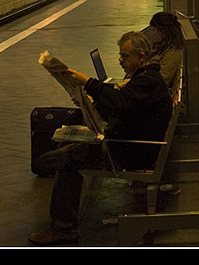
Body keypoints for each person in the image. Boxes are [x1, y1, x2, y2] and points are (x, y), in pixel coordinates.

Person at [29, 31, 173, 246]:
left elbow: (121, 103)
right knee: (73, 146)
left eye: (124, 56)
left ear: (141, 57)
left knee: (68, 165)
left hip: (130, 153)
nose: (120, 60)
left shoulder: (147, 82)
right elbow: (123, 104)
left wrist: (88, 82)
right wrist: (90, 100)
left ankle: (63, 229)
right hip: (131, 144)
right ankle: (68, 149)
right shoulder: (146, 78)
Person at [145, 12, 185, 91]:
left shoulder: (173, 53)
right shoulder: (161, 48)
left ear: (163, 31)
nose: (153, 34)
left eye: (154, 31)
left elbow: (162, 80)